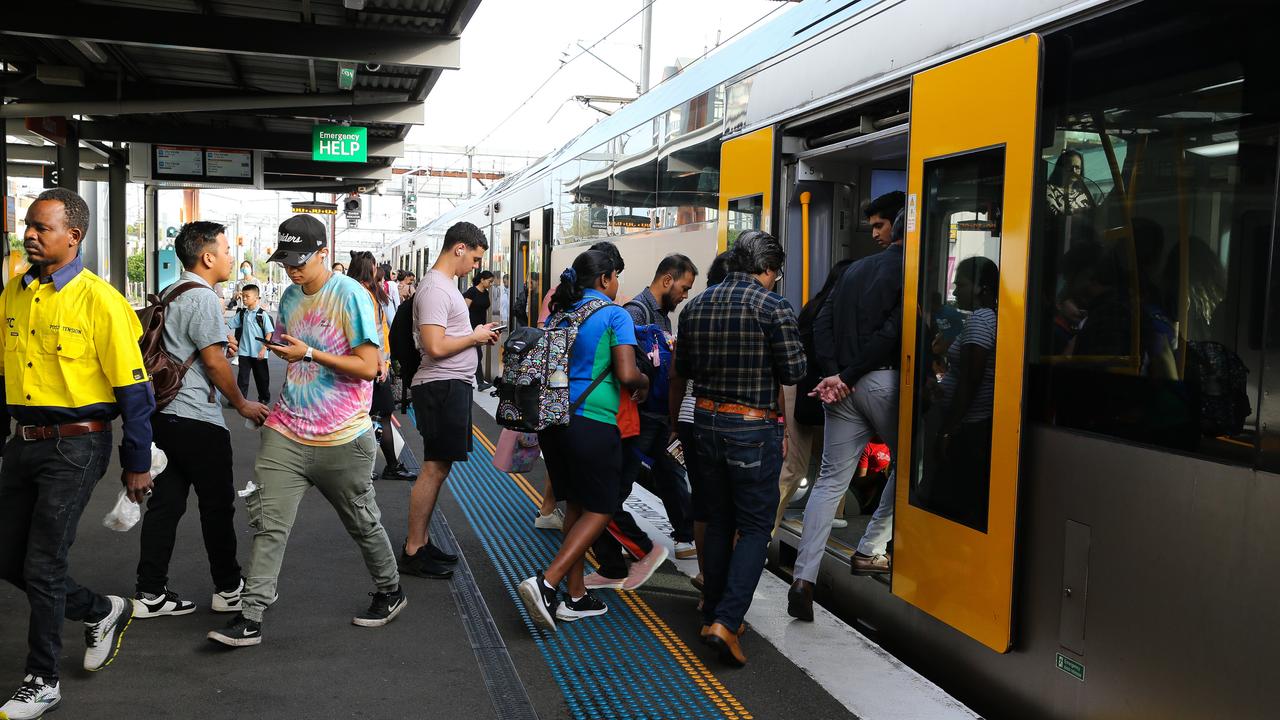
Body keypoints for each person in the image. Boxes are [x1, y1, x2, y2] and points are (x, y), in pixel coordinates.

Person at [207, 215, 405, 648]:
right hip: (288, 430)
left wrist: (310, 352)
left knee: (362, 522)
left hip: (344, 437)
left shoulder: (351, 295)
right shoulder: (292, 297)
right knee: (269, 524)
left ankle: (390, 589)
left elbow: (370, 367)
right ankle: (251, 614)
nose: (292, 270)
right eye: (286, 261)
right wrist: (276, 346)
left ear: (322, 254)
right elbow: (292, 345)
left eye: (300, 261)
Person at [0, 188, 155, 719]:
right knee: (7, 556)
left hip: (78, 443)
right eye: (29, 225)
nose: (31, 235)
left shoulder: (100, 300)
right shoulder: (14, 294)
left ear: (75, 236)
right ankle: (101, 610)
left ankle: (41, 680)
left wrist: (136, 463)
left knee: (43, 562)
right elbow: (5, 376)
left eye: (43, 227)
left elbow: (135, 393)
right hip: (22, 441)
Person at [677, 230, 805, 666]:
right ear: (767, 268)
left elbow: (686, 368)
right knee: (753, 527)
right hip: (752, 428)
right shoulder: (774, 307)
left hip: (707, 423)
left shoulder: (696, 305)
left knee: (716, 521)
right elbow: (794, 369)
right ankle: (727, 621)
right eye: (775, 273)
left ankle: (713, 611)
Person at [134, 222, 271, 620]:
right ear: (207, 256)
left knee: (166, 505)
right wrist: (243, 403)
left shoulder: (170, 292)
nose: (231, 257)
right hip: (197, 417)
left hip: (164, 414)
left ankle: (150, 592)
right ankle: (228, 588)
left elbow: (193, 349)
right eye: (226, 250)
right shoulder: (204, 298)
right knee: (216, 507)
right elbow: (212, 362)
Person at [789, 193, 906, 625]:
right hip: (884, 381)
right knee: (912, 465)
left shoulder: (852, 270)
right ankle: (871, 547)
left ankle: (803, 580)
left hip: (840, 390)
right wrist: (852, 373)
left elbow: (820, 321)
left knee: (828, 484)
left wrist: (835, 374)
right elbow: (894, 332)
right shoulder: (911, 269)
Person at [517, 249, 649, 631]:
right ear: (605, 279)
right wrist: (644, 381)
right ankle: (547, 582)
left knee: (575, 504)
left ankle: (574, 597)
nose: (618, 285)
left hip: (554, 421)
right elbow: (626, 373)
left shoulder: (561, 313)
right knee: (603, 507)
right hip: (593, 422)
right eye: (616, 278)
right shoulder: (614, 314)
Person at [401, 222, 498, 580]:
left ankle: (421, 542)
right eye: (474, 257)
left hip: (449, 386)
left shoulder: (443, 288)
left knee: (439, 467)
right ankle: (413, 549)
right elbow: (435, 346)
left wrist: (475, 336)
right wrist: (474, 336)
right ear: (459, 248)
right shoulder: (436, 290)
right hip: (441, 386)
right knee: (434, 467)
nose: (475, 266)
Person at [620, 254, 699, 559]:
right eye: (684, 287)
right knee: (624, 479)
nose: (684, 295)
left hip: (659, 415)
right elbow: (628, 361)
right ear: (667, 280)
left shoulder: (663, 316)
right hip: (640, 414)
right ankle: (624, 537)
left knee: (670, 474)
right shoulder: (635, 313)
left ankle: (684, 537)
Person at [914, 256, 999, 530]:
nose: (954, 291)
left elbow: (970, 380)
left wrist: (948, 430)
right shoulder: (987, 318)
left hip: (967, 426)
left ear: (981, 288)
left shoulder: (981, 321)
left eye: (960, 284)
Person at [668, 251, 731, 594]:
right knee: (731, 504)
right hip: (730, 419)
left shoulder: (694, 311)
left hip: (693, 416)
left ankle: (707, 575)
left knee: (704, 500)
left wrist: (676, 422)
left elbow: (678, 373)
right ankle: (725, 581)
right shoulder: (755, 308)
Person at [775, 259, 853, 535]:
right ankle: (766, 528)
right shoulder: (837, 312)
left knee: (805, 465)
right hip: (811, 392)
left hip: (803, 391)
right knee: (811, 465)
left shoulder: (813, 307)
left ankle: (771, 526)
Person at [349, 252, 415, 481]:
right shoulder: (364, 295)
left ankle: (371, 467)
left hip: (367, 362)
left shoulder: (357, 292)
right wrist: (381, 362)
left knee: (367, 416)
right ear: (370, 268)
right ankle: (386, 466)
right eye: (376, 266)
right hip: (373, 364)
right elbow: (372, 334)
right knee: (381, 414)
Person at [227, 284, 274, 403]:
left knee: (262, 378)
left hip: (259, 353)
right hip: (244, 351)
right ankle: (240, 399)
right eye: (243, 296)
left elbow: (269, 333)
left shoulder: (262, 315)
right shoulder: (243, 314)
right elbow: (229, 324)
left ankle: (264, 398)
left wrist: (264, 349)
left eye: (247, 296)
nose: (244, 298)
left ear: (256, 298)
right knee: (242, 378)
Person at [463, 270, 496, 390]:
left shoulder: (485, 293)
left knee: (476, 354)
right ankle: (478, 382)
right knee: (477, 354)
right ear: (482, 280)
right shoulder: (472, 292)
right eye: (489, 281)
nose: (491, 284)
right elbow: (464, 310)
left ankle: (471, 381)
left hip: (480, 326)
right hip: (470, 327)